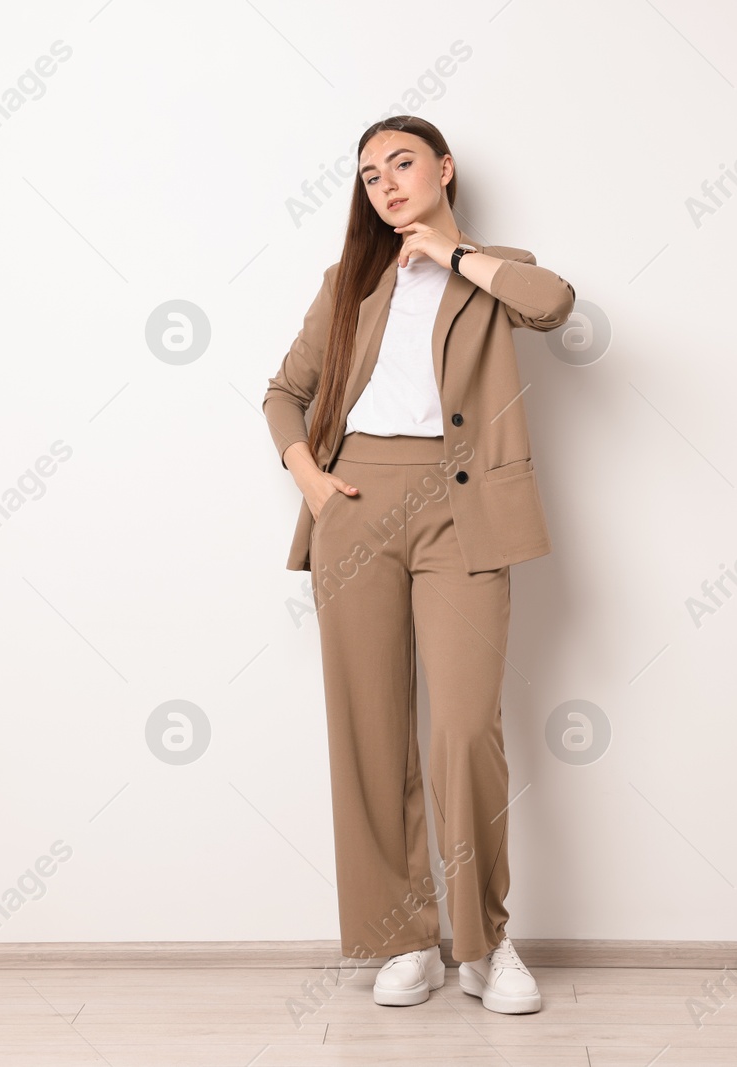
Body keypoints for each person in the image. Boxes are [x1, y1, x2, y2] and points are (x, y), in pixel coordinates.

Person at [261, 115, 574, 1014]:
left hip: (464, 506)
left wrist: (454, 254)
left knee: (464, 725)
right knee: (370, 727)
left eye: (402, 164)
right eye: (369, 175)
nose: (386, 184)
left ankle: (483, 941)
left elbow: (556, 306)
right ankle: (403, 936)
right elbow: (286, 393)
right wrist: (315, 484)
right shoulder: (348, 281)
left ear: (443, 168)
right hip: (356, 506)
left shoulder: (494, 269)